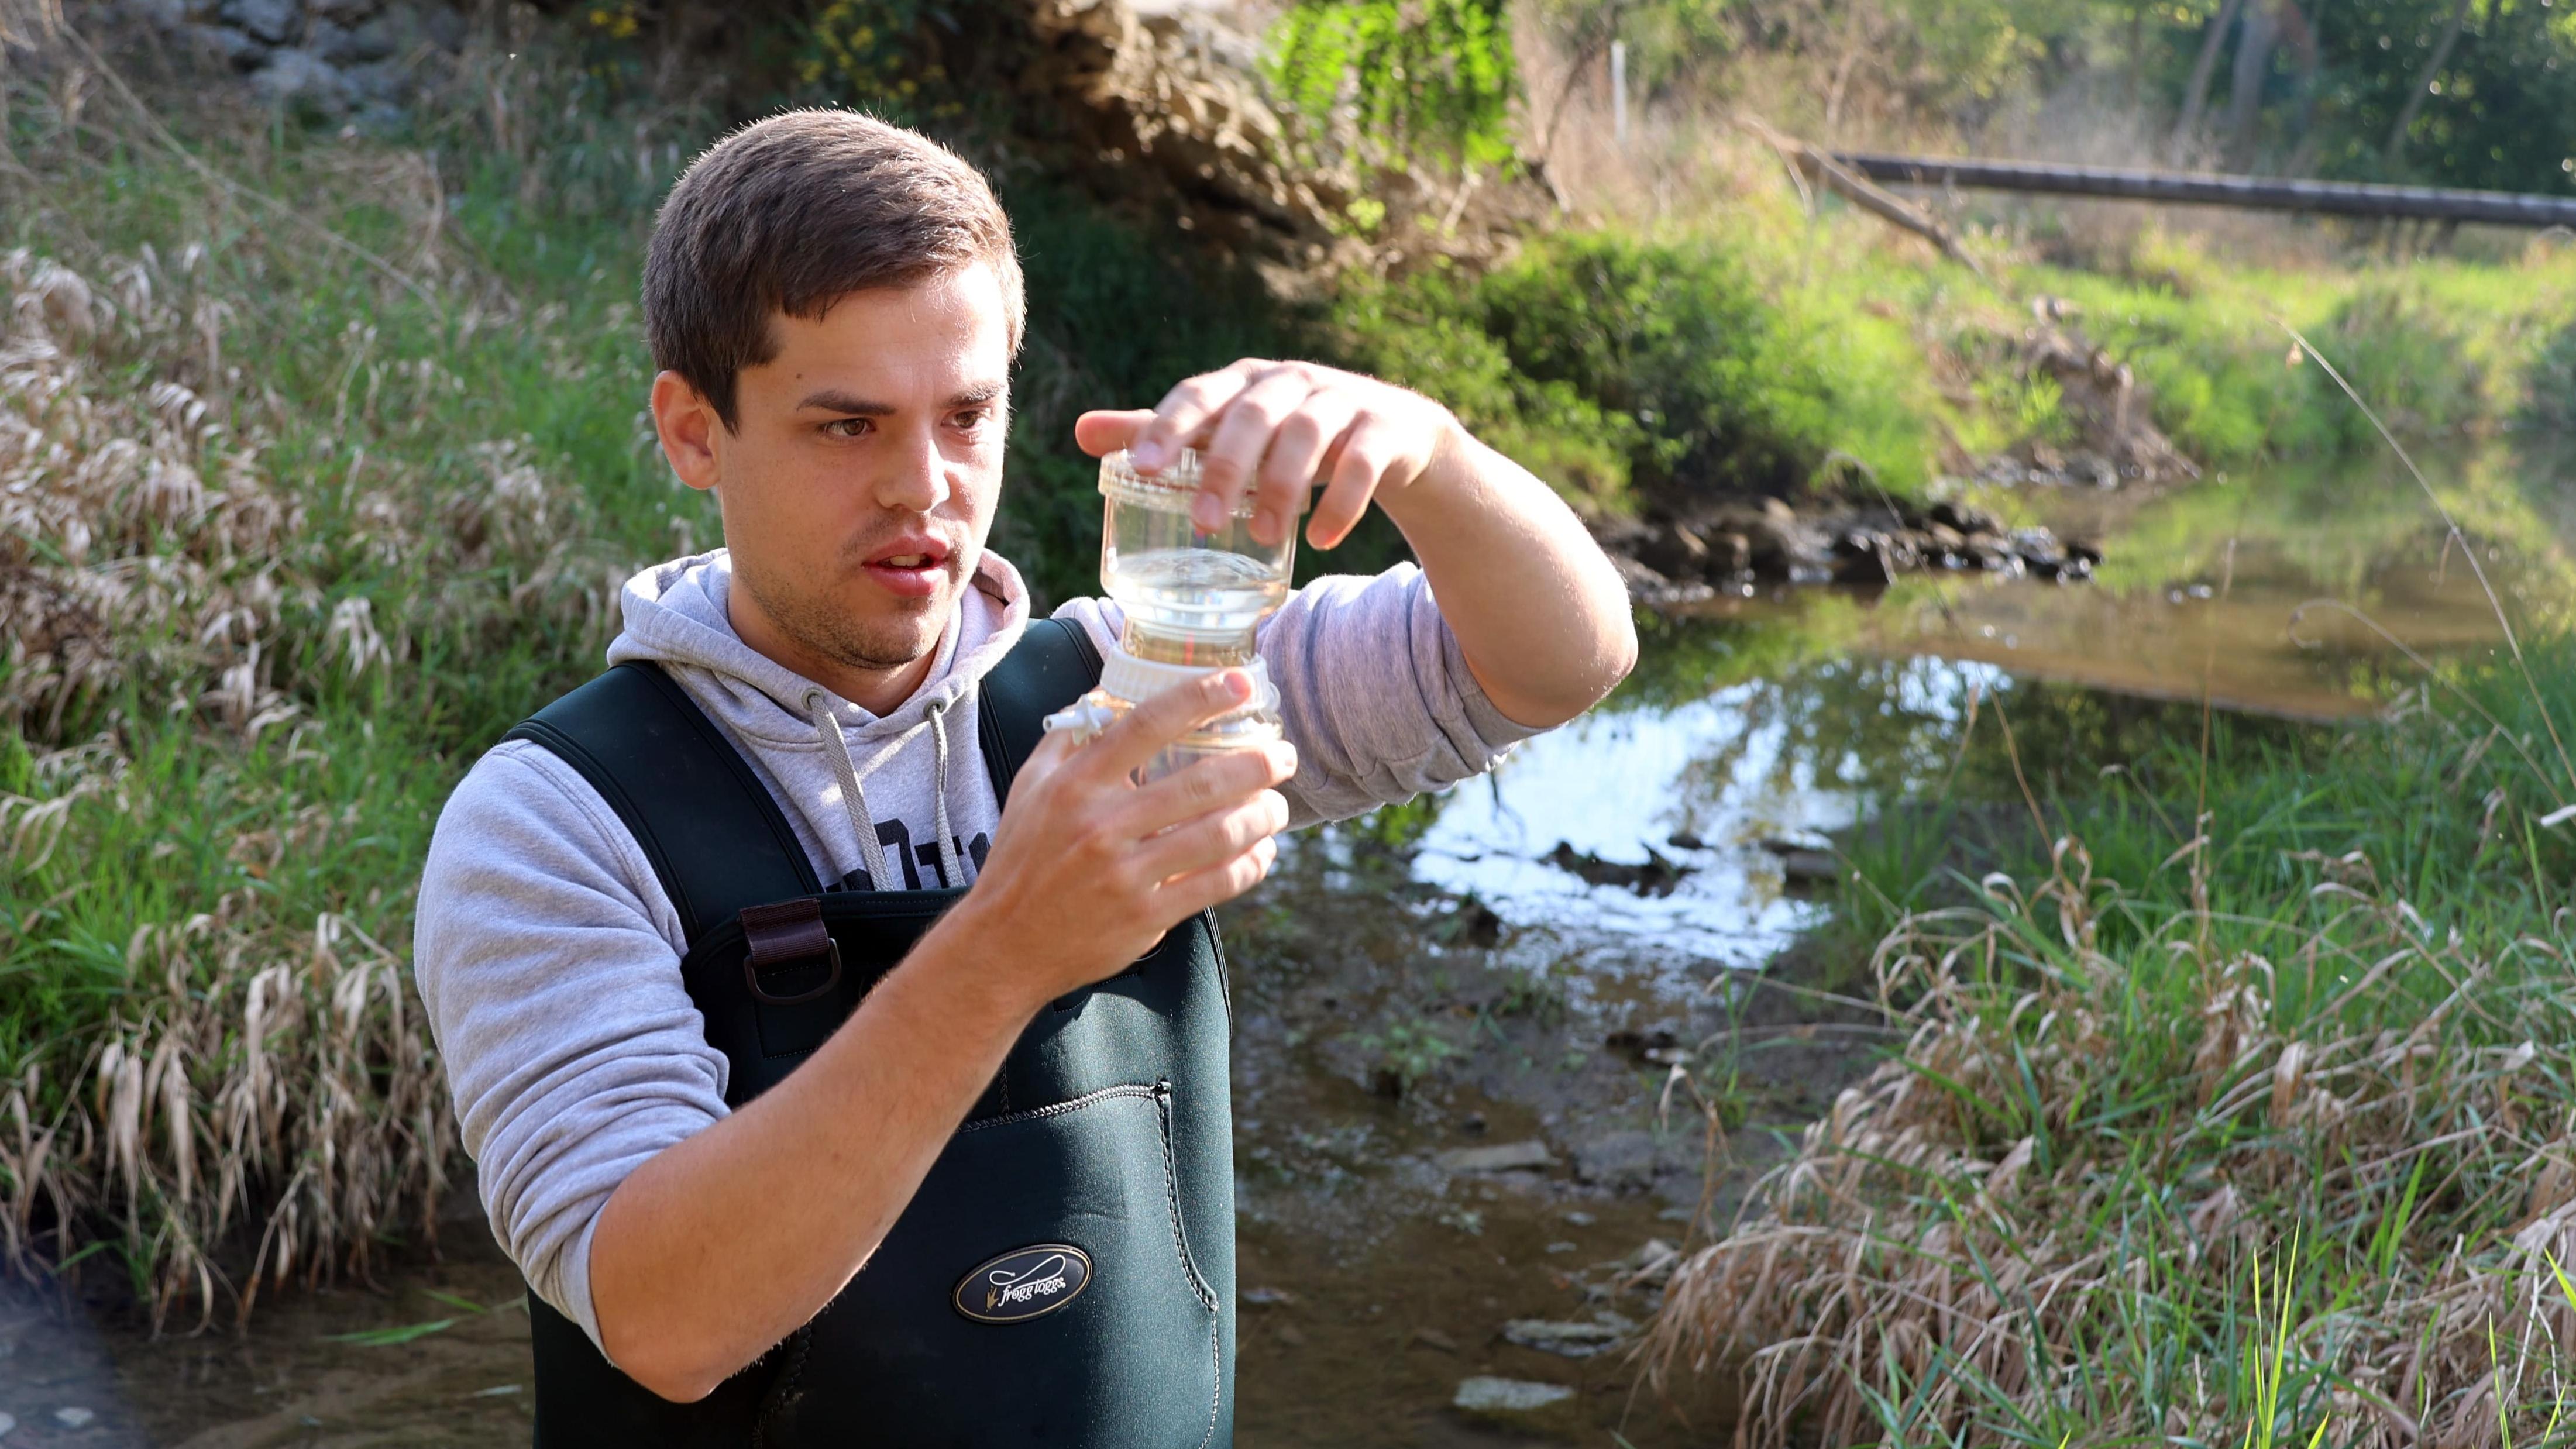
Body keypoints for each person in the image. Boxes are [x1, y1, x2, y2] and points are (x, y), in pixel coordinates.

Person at [414, 108, 1635, 1447]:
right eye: (845, 427)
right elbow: (660, 1318)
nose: (923, 487)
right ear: (695, 433)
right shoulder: (552, 821)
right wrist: (1005, 947)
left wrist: (1431, 453)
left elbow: (1557, 662)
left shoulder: (1142, 686)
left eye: (966, 414)